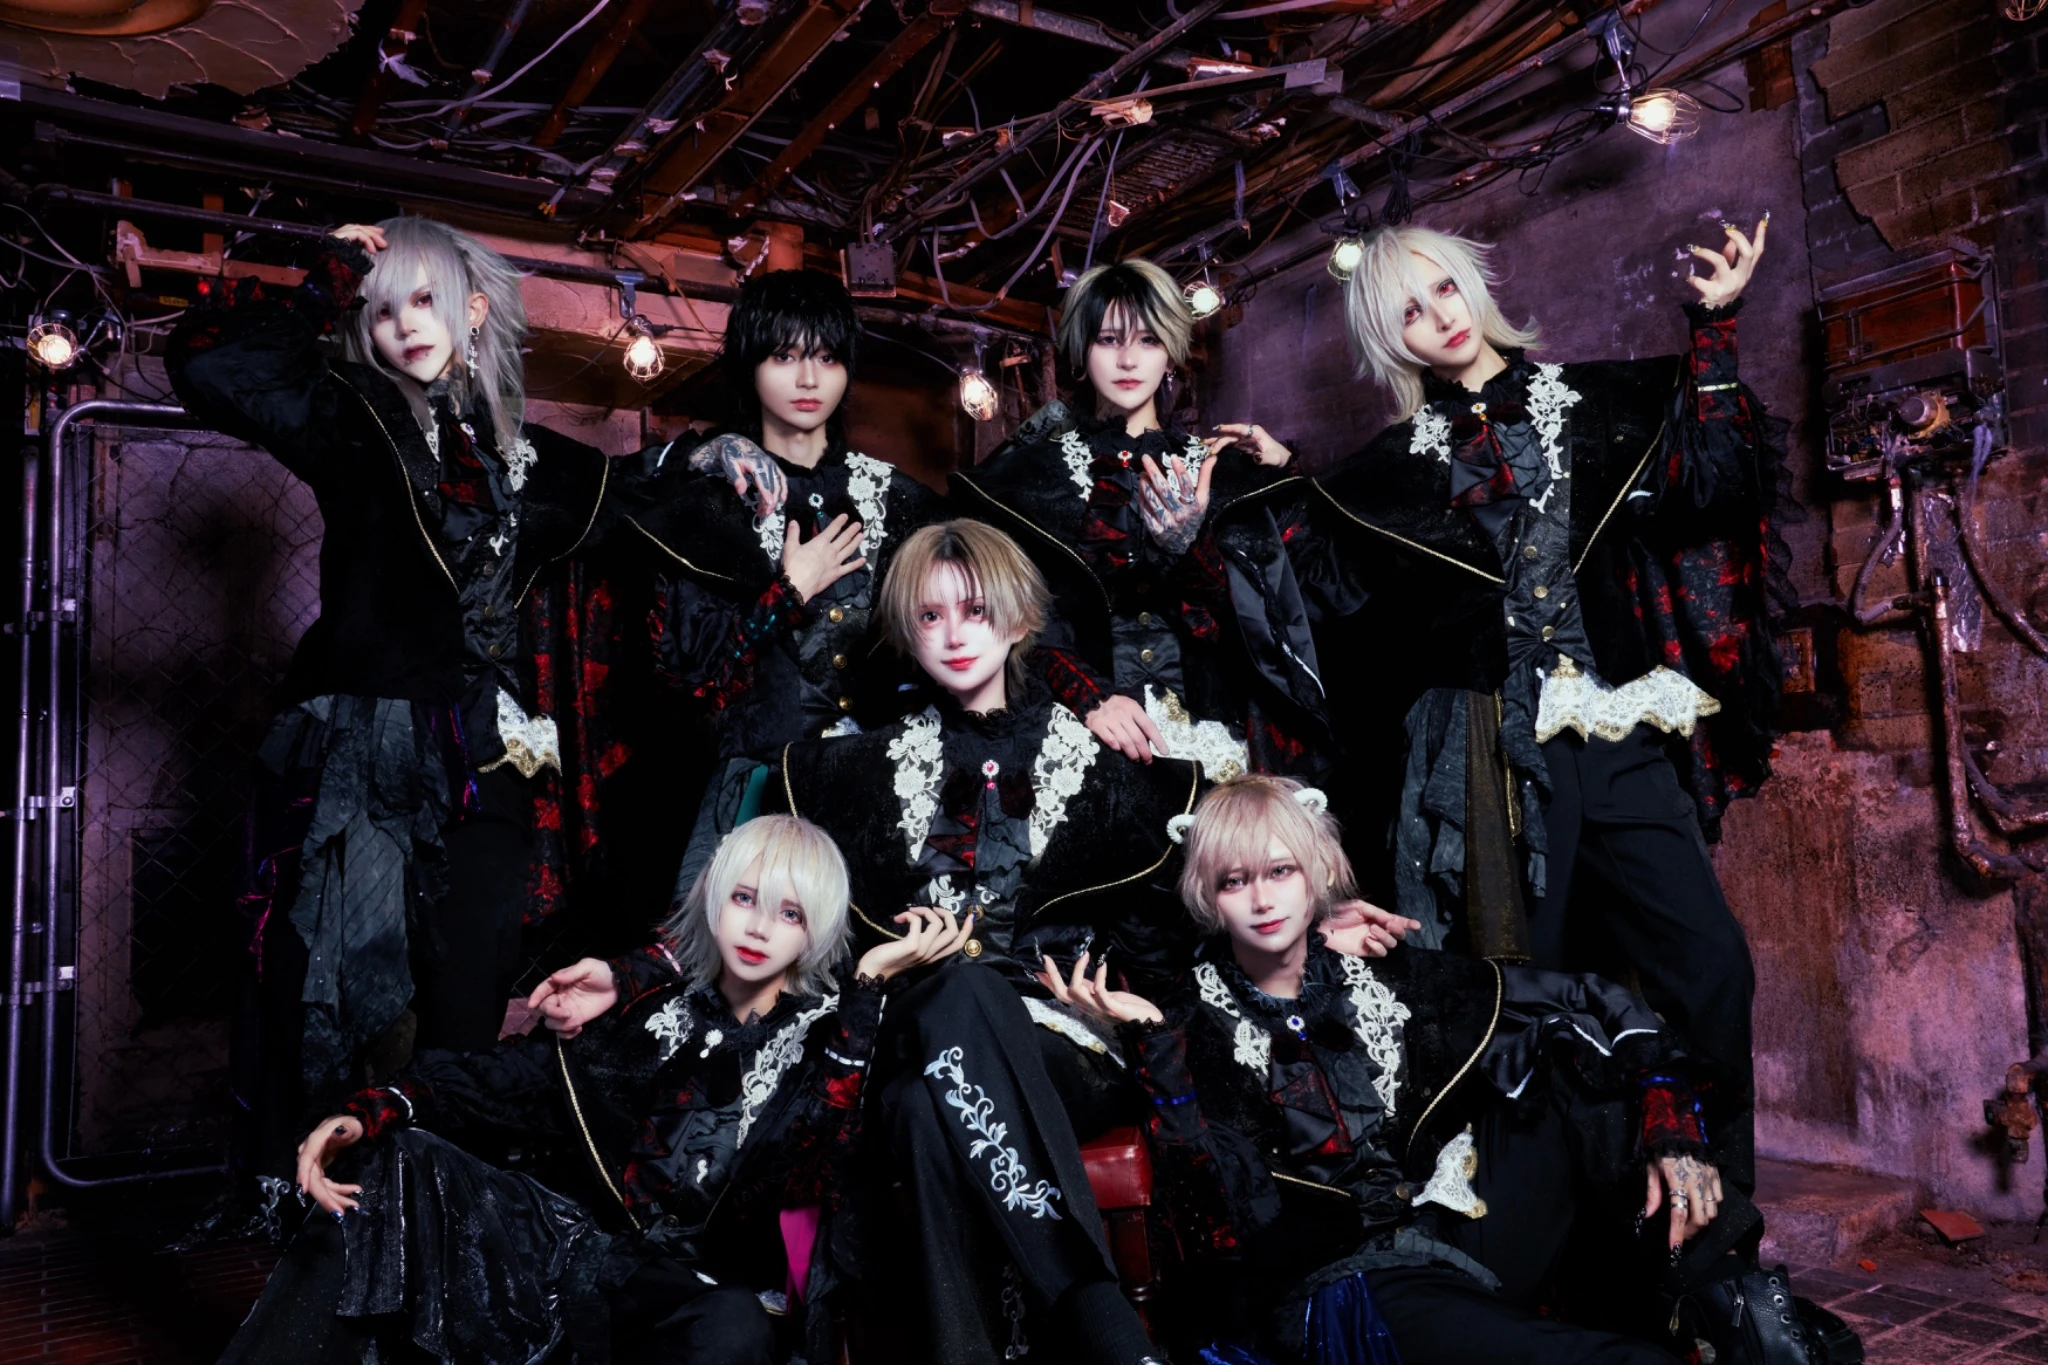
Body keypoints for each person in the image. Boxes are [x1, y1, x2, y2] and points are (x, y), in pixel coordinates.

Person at [538, 519, 1212, 1364]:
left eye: (976, 610)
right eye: (930, 615)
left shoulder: (1105, 766)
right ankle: (1103, 1327)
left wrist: (1151, 1015)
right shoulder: (848, 773)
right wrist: (631, 971)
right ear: (905, 630)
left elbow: (1198, 913)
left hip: (1062, 1053)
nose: (954, 633)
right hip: (904, 1037)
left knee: (944, 1058)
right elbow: (765, 904)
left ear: (1018, 620)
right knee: (934, 1051)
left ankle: (1052, 1330)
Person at [166, 216, 670, 1197]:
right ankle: (330, 1222)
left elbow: (638, 497)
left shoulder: (522, 453)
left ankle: (443, 1217)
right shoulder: (346, 415)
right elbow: (211, 360)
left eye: (425, 300)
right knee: (338, 1001)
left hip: (483, 757)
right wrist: (333, 271)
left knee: (465, 1001)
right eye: (383, 308)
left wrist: (730, 471)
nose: (404, 324)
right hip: (359, 752)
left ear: (472, 310)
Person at [1299, 220, 1785, 1213]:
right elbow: (1340, 615)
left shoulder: (1598, 404)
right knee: (1528, 994)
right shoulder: (1388, 471)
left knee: (1711, 968)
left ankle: (1720, 1231)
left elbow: (1716, 484)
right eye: (1406, 311)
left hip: (1613, 734)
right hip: (1489, 762)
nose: (1436, 318)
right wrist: (1270, 481)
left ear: (1473, 285)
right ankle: (1562, 1239)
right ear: (1387, 340)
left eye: (1443, 290)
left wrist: (1716, 324)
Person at [1043, 775, 1856, 1365]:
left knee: (1570, 1065)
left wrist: (1669, 1130)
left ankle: (1728, 1297)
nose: (1261, 899)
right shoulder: (1192, 1019)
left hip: (1440, 1236)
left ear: (1318, 874)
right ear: (1208, 897)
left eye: (1280, 871)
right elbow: (1217, 1220)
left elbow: (1589, 998)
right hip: (1336, 1286)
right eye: (1235, 880)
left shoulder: (1387, 981)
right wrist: (1158, 1045)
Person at [219, 814, 971, 1365]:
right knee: (400, 1155)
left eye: (791, 912)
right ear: (714, 899)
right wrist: (369, 1110)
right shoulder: (649, 1011)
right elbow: (515, 1080)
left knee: (735, 1325)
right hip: (574, 1253)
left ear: (815, 930)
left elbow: (821, 1157)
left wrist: (867, 985)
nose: (760, 927)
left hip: (692, 1292)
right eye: (745, 898)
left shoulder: (827, 1038)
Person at [950, 258, 1364, 785]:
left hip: (1215, 733)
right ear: (1081, 353)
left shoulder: (1220, 469)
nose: (1128, 359)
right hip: (1083, 730)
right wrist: (1088, 696)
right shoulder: (1030, 479)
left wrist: (1203, 540)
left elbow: (1283, 614)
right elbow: (1010, 616)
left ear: (1170, 350)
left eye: (1148, 340)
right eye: (1108, 340)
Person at [638, 268, 945, 896]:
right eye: (784, 357)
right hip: (754, 791)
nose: (809, 379)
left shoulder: (899, 499)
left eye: (827, 358)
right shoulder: (709, 499)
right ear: (750, 367)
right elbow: (691, 678)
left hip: (874, 785)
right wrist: (787, 592)